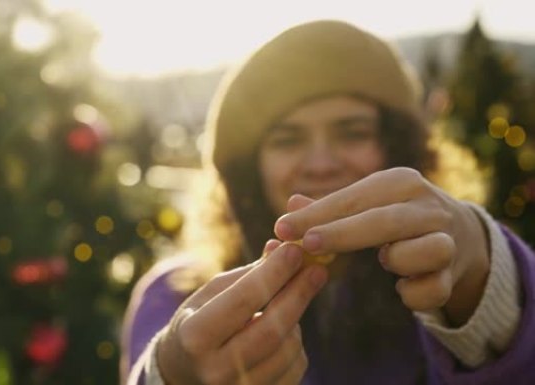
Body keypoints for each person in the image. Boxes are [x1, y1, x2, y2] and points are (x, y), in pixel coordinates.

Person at [120, 20, 535, 385]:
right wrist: (170, 375)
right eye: (288, 139)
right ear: (249, 169)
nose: (320, 164)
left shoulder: (450, 277)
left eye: (352, 133)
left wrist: (485, 285)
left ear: (399, 149)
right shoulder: (173, 295)